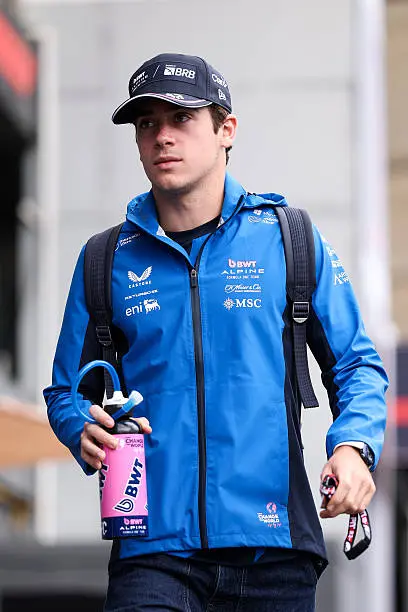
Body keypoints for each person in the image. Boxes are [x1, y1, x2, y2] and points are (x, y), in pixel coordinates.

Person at [44, 53, 388, 612]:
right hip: (151, 554)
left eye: (181, 119)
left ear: (226, 130)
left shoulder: (290, 238)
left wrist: (353, 447)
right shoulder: (104, 258)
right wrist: (81, 425)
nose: (162, 137)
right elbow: (65, 391)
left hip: (274, 552)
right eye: (147, 123)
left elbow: (357, 365)